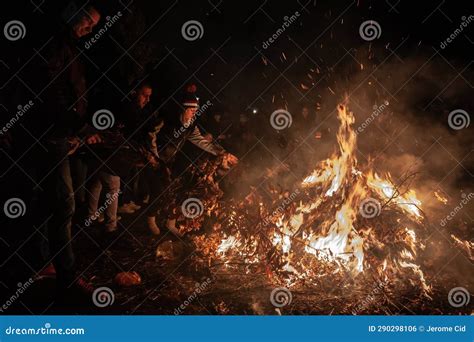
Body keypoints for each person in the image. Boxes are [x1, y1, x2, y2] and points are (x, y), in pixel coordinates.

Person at [30, 4, 101, 299]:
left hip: (55, 134)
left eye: (95, 25)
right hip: (50, 135)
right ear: (73, 10)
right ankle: (67, 278)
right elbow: (51, 92)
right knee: (65, 205)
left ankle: (42, 263)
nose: (91, 29)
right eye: (88, 20)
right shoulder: (56, 42)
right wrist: (79, 129)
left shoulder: (65, 43)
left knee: (47, 202)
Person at [152, 84, 238, 234]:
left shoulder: (190, 127)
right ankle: (150, 221)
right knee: (156, 190)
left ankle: (169, 222)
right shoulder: (168, 122)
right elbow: (151, 136)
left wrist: (223, 153)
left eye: (195, 111)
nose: (193, 114)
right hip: (152, 159)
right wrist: (153, 157)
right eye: (191, 111)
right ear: (183, 110)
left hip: (170, 162)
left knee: (176, 190)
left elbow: (203, 142)